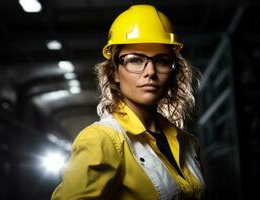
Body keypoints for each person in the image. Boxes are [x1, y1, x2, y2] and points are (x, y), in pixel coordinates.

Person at [51, 4, 206, 200]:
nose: (150, 72)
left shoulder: (188, 143)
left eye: (162, 61)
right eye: (135, 60)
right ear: (114, 72)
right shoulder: (101, 140)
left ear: (173, 70)